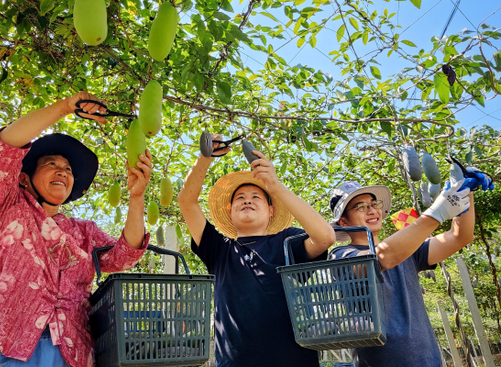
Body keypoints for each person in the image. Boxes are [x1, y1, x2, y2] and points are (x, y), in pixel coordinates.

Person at [0, 92, 152, 367]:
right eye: (51, 164)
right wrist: (66, 106)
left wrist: (137, 197)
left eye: (68, 169)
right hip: (9, 346)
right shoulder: (7, 206)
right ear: (23, 177)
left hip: (72, 352)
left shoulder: (85, 232)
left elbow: (124, 256)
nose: (63, 172)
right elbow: (5, 146)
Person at [177, 135, 336, 367]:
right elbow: (187, 202)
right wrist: (204, 158)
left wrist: (275, 186)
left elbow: (326, 237)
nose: (247, 201)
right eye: (240, 198)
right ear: (230, 211)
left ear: (271, 210)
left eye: (256, 197)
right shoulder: (218, 249)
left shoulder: (287, 241)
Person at [328, 164, 493, 367]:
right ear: (343, 222)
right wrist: (437, 212)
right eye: (361, 207)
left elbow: (459, 237)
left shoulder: (407, 251)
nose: (372, 210)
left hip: (428, 361)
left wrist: (465, 193)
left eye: (374, 203)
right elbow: (382, 258)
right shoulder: (341, 255)